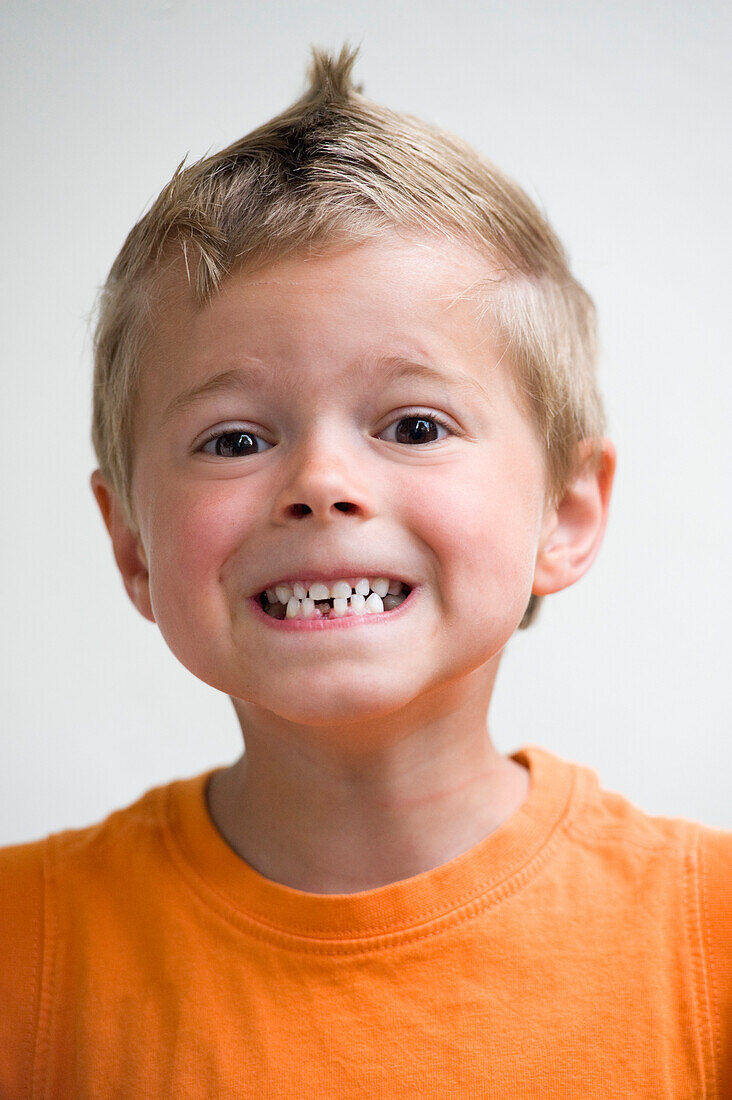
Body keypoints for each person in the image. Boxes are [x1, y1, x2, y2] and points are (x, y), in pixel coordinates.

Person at [1, 44, 729, 1098]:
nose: (322, 481)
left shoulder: (711, 933)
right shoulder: (25, 942)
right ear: (132, 546)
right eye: (236, 439)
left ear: (565, 515)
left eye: (415, 423)